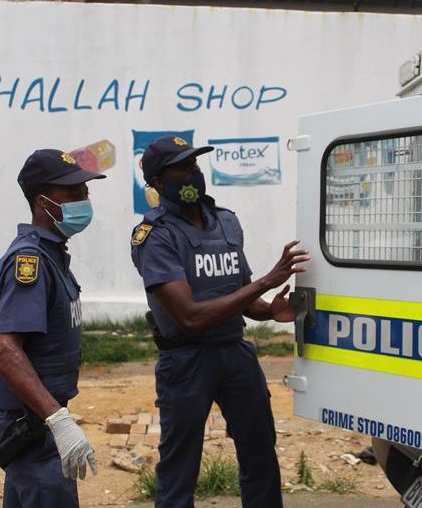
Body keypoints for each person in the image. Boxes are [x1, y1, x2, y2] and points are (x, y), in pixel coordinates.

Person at [130, 136, 310, 508]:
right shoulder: (154, 236)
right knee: (180, 466)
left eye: (195, 165)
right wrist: (265, 281)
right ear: (159, 182)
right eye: (183, 168)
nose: (194, 174)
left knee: (260, 449)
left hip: (234, 353)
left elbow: (243, 297)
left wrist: (268, 310)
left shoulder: (226, 222)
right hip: (186, 360)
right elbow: (190, 318)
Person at [0, 149, 105, 507]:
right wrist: (59, 420)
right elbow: (4, 350)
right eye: (73, 193)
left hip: (37, 422)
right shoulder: (30, 262)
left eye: (85, 191)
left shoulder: (50, 257)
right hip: (32, 426)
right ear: (43, 202)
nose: (84, 200)